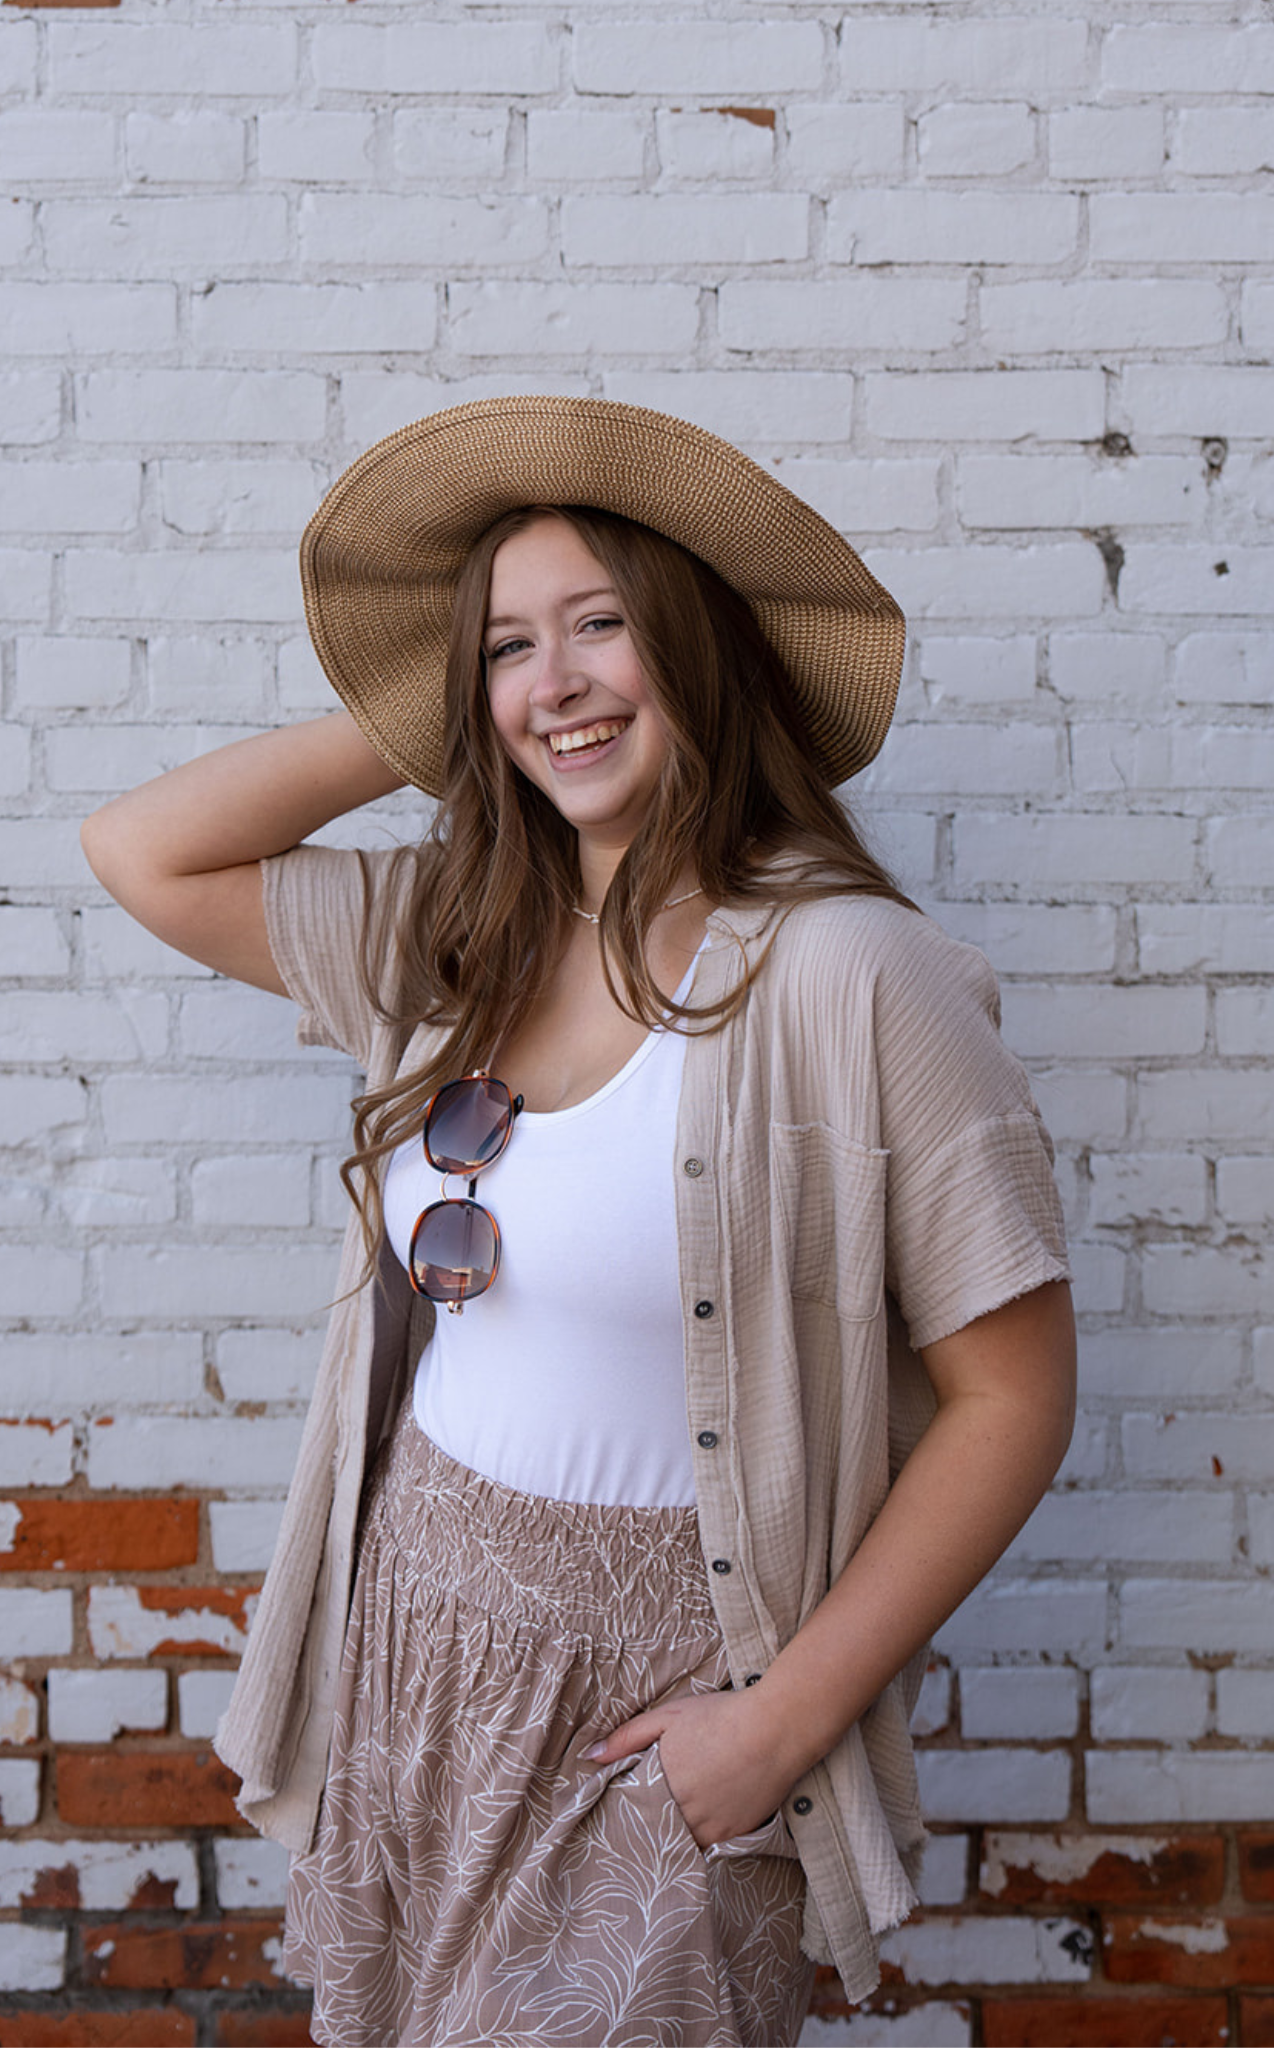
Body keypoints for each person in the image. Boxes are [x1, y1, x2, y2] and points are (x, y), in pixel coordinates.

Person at [82, 395, 1075, 2048]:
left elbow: (1013, 1397)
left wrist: (774, 1727)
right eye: (509, 648)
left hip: (655, 1701)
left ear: (695, 650)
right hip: (418, 1646)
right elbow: (145, 853)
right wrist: (438, 709)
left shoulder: (852, 980)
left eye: (603, 627)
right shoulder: (454, 933)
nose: (559, 684)